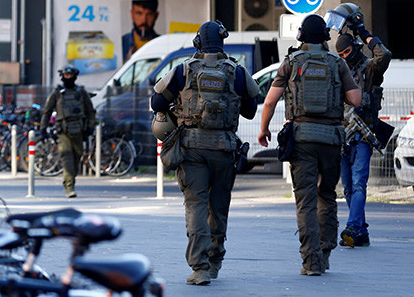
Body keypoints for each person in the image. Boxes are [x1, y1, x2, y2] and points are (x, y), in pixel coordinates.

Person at [149, 21, 258, 285]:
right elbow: (250, 110)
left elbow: (157, 101)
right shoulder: (238, 72)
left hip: (192, 149)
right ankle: (215, 262)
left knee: (196, 206)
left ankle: (199, 268)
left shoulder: (184, 69)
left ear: (198, 42)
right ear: (222, 42)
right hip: (224, 149)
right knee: (218, 207)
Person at [257, 14, 361, 276]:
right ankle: (325, 253)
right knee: (327, 196)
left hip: (302, 138)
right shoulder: (337, 63)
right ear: (326, 37)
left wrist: (264, 129)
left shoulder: (291, 63)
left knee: (305, 200)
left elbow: (269, 101)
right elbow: (356, 99)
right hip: (331, 139)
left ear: (301, 36)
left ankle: (311, 261)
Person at [333, 14, 391, 248]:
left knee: (358, 184)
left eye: (346, 53)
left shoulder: (369, 69)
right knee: (347, 187)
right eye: (340, 55)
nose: (344, 58)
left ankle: (353, 227)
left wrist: (364, 34)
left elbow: (384, 55)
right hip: (342, 135)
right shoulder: (338, 70)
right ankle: (361, 232)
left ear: (354, 49)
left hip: (363, 135)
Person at [39, 65, 95, 198]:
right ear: (62, 76)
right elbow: (47, 112)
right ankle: (69, 186)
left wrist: (90, 128)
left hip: (79, 130)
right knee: (67, 157)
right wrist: (43, 128)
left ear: (74, 77)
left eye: (70, 76)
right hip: (63, 131)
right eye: (66, 76)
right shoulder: (57, 93)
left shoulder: (81, 92)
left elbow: (90, 111)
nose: (68, 78)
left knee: (77, 157)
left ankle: (70, 179)